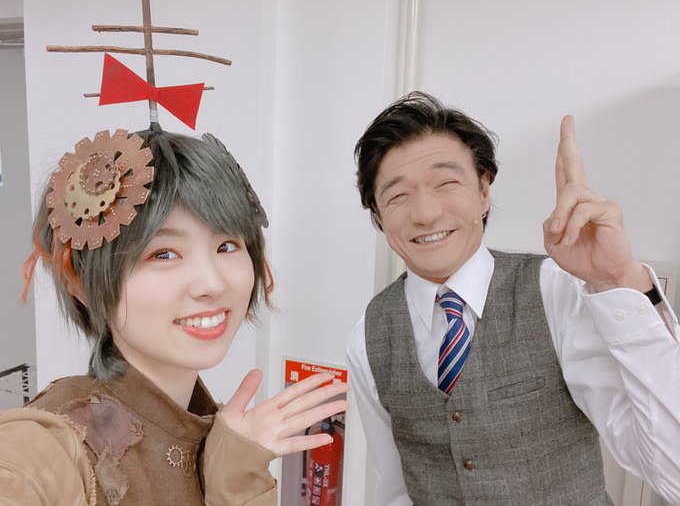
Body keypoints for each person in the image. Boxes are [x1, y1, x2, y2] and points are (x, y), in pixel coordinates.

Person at [346, 91, 680, 505]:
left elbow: (673, 474)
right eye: (398, 196)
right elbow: (395, 489)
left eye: (446, 182)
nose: (426, 213)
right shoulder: (368, 335)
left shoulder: (556, 291)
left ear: (484, 191)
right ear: (378, 216)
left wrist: (619, 280)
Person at [0, 128, 347, 505]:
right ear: (79, 282)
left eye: (227, 245)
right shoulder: (43, 453)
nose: (212, 283)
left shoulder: (221, 438)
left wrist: (234, 475)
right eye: (163, 254)